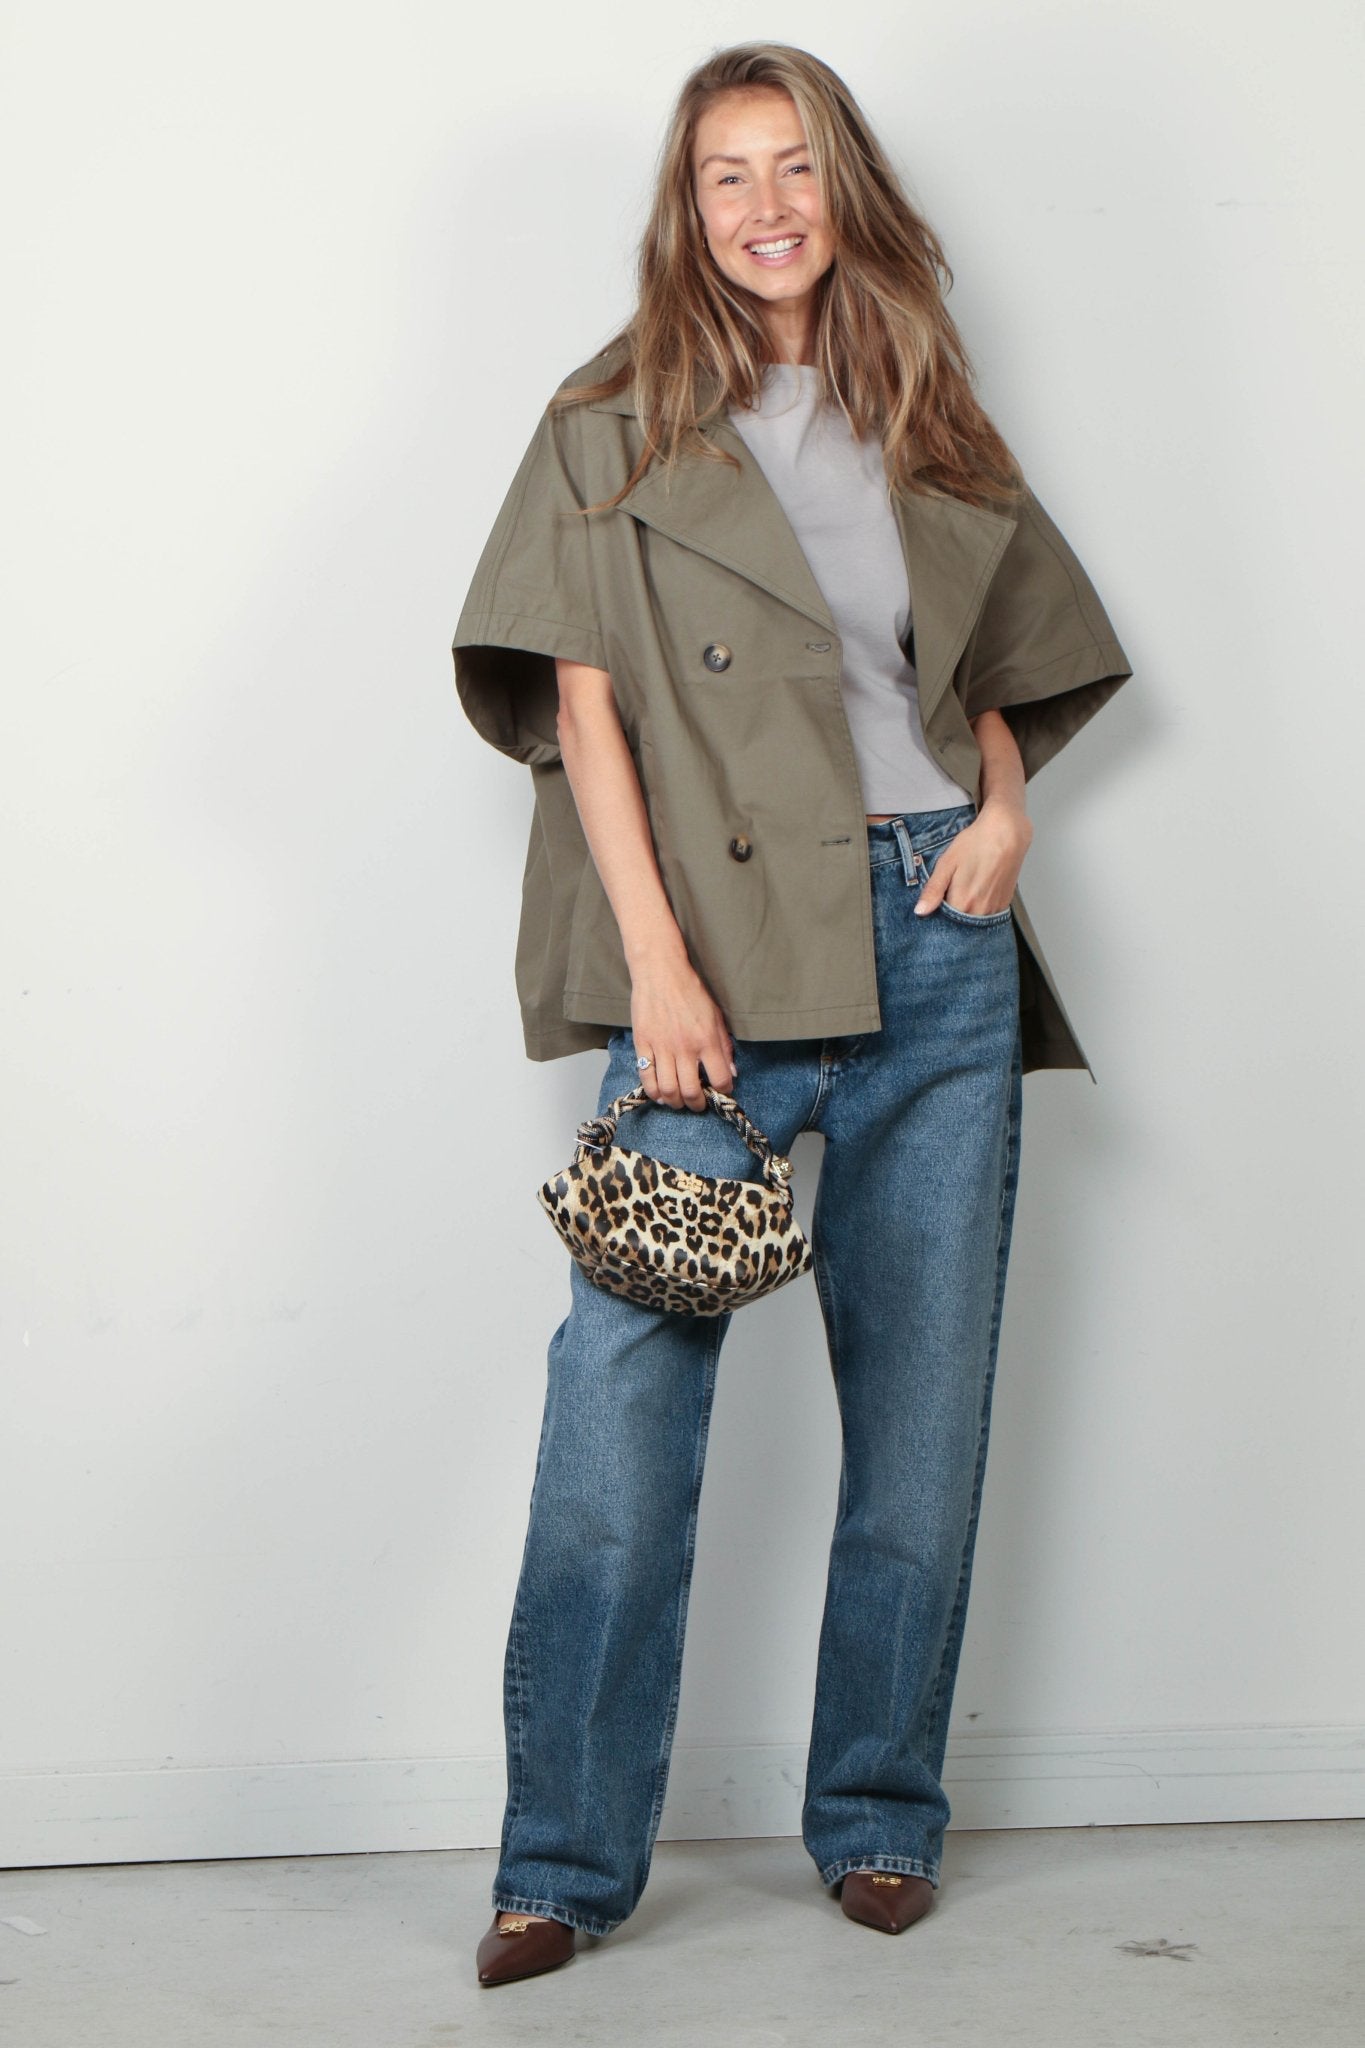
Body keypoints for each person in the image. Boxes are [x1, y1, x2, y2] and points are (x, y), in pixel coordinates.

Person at [451, 42, 1131, 1989]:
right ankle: (560, 1864)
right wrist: (653, 970)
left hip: (932, 936)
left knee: (919, 1421)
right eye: (724, 175)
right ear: (685, 209)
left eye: (794, 168)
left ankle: (877, 1818)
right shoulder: (608, 419)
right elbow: (583, 712)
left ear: (845, 188)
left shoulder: (921, 399)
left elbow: (981, 656)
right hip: (713, 968)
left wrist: (1001, 808)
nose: (763, 208)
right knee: (619, 1433)